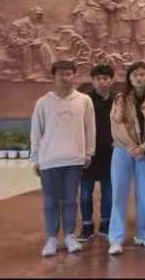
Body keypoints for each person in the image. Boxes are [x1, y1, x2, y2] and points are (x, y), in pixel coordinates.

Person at [31, 60, 96, 257]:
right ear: (54, 76)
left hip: (74, 160)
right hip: (49, 160)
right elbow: (36, 132)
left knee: (70, 200)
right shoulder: (43, 102)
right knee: (50, 202)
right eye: (61, 74)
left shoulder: (84, 100)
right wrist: (35, 159)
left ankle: (69, 235)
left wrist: (89, 152)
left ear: (74, 76)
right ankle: (51, 238)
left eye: (69, 73)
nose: (65, 77)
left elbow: (90, 128)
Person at [108, 62, 145, 255]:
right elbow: (117, 125)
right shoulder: (120, 99)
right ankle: (115, 238)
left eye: (142, 74)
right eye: (135, 74)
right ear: (129, 77)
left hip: (144, 152)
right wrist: (131, 146)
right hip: (123, 150)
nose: (138, 77)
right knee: (119, 194)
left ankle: (143, 234)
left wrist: (144, 147)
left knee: (144, 194)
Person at [78, 64, 115, 243]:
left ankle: (105, 224)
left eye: (105, 78)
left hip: (111, 153)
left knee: (108, 192)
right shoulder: (85, 100)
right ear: (92, 81)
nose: (102, 82)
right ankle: (86, 226)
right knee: (85, 193)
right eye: (98, 79)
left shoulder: (118, 100)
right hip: (88, 154)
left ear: (112, 80)